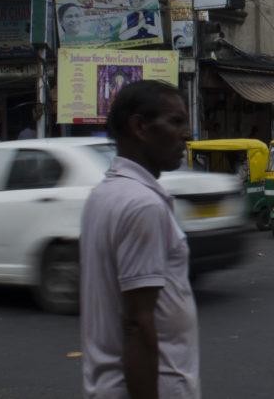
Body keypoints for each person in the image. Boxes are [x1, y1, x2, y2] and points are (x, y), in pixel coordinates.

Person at [80, 80, 199, 399]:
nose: (186, 134)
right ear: (140, 127)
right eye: (175, 122)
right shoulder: (142, 205)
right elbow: (137, 322)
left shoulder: (104, 194)